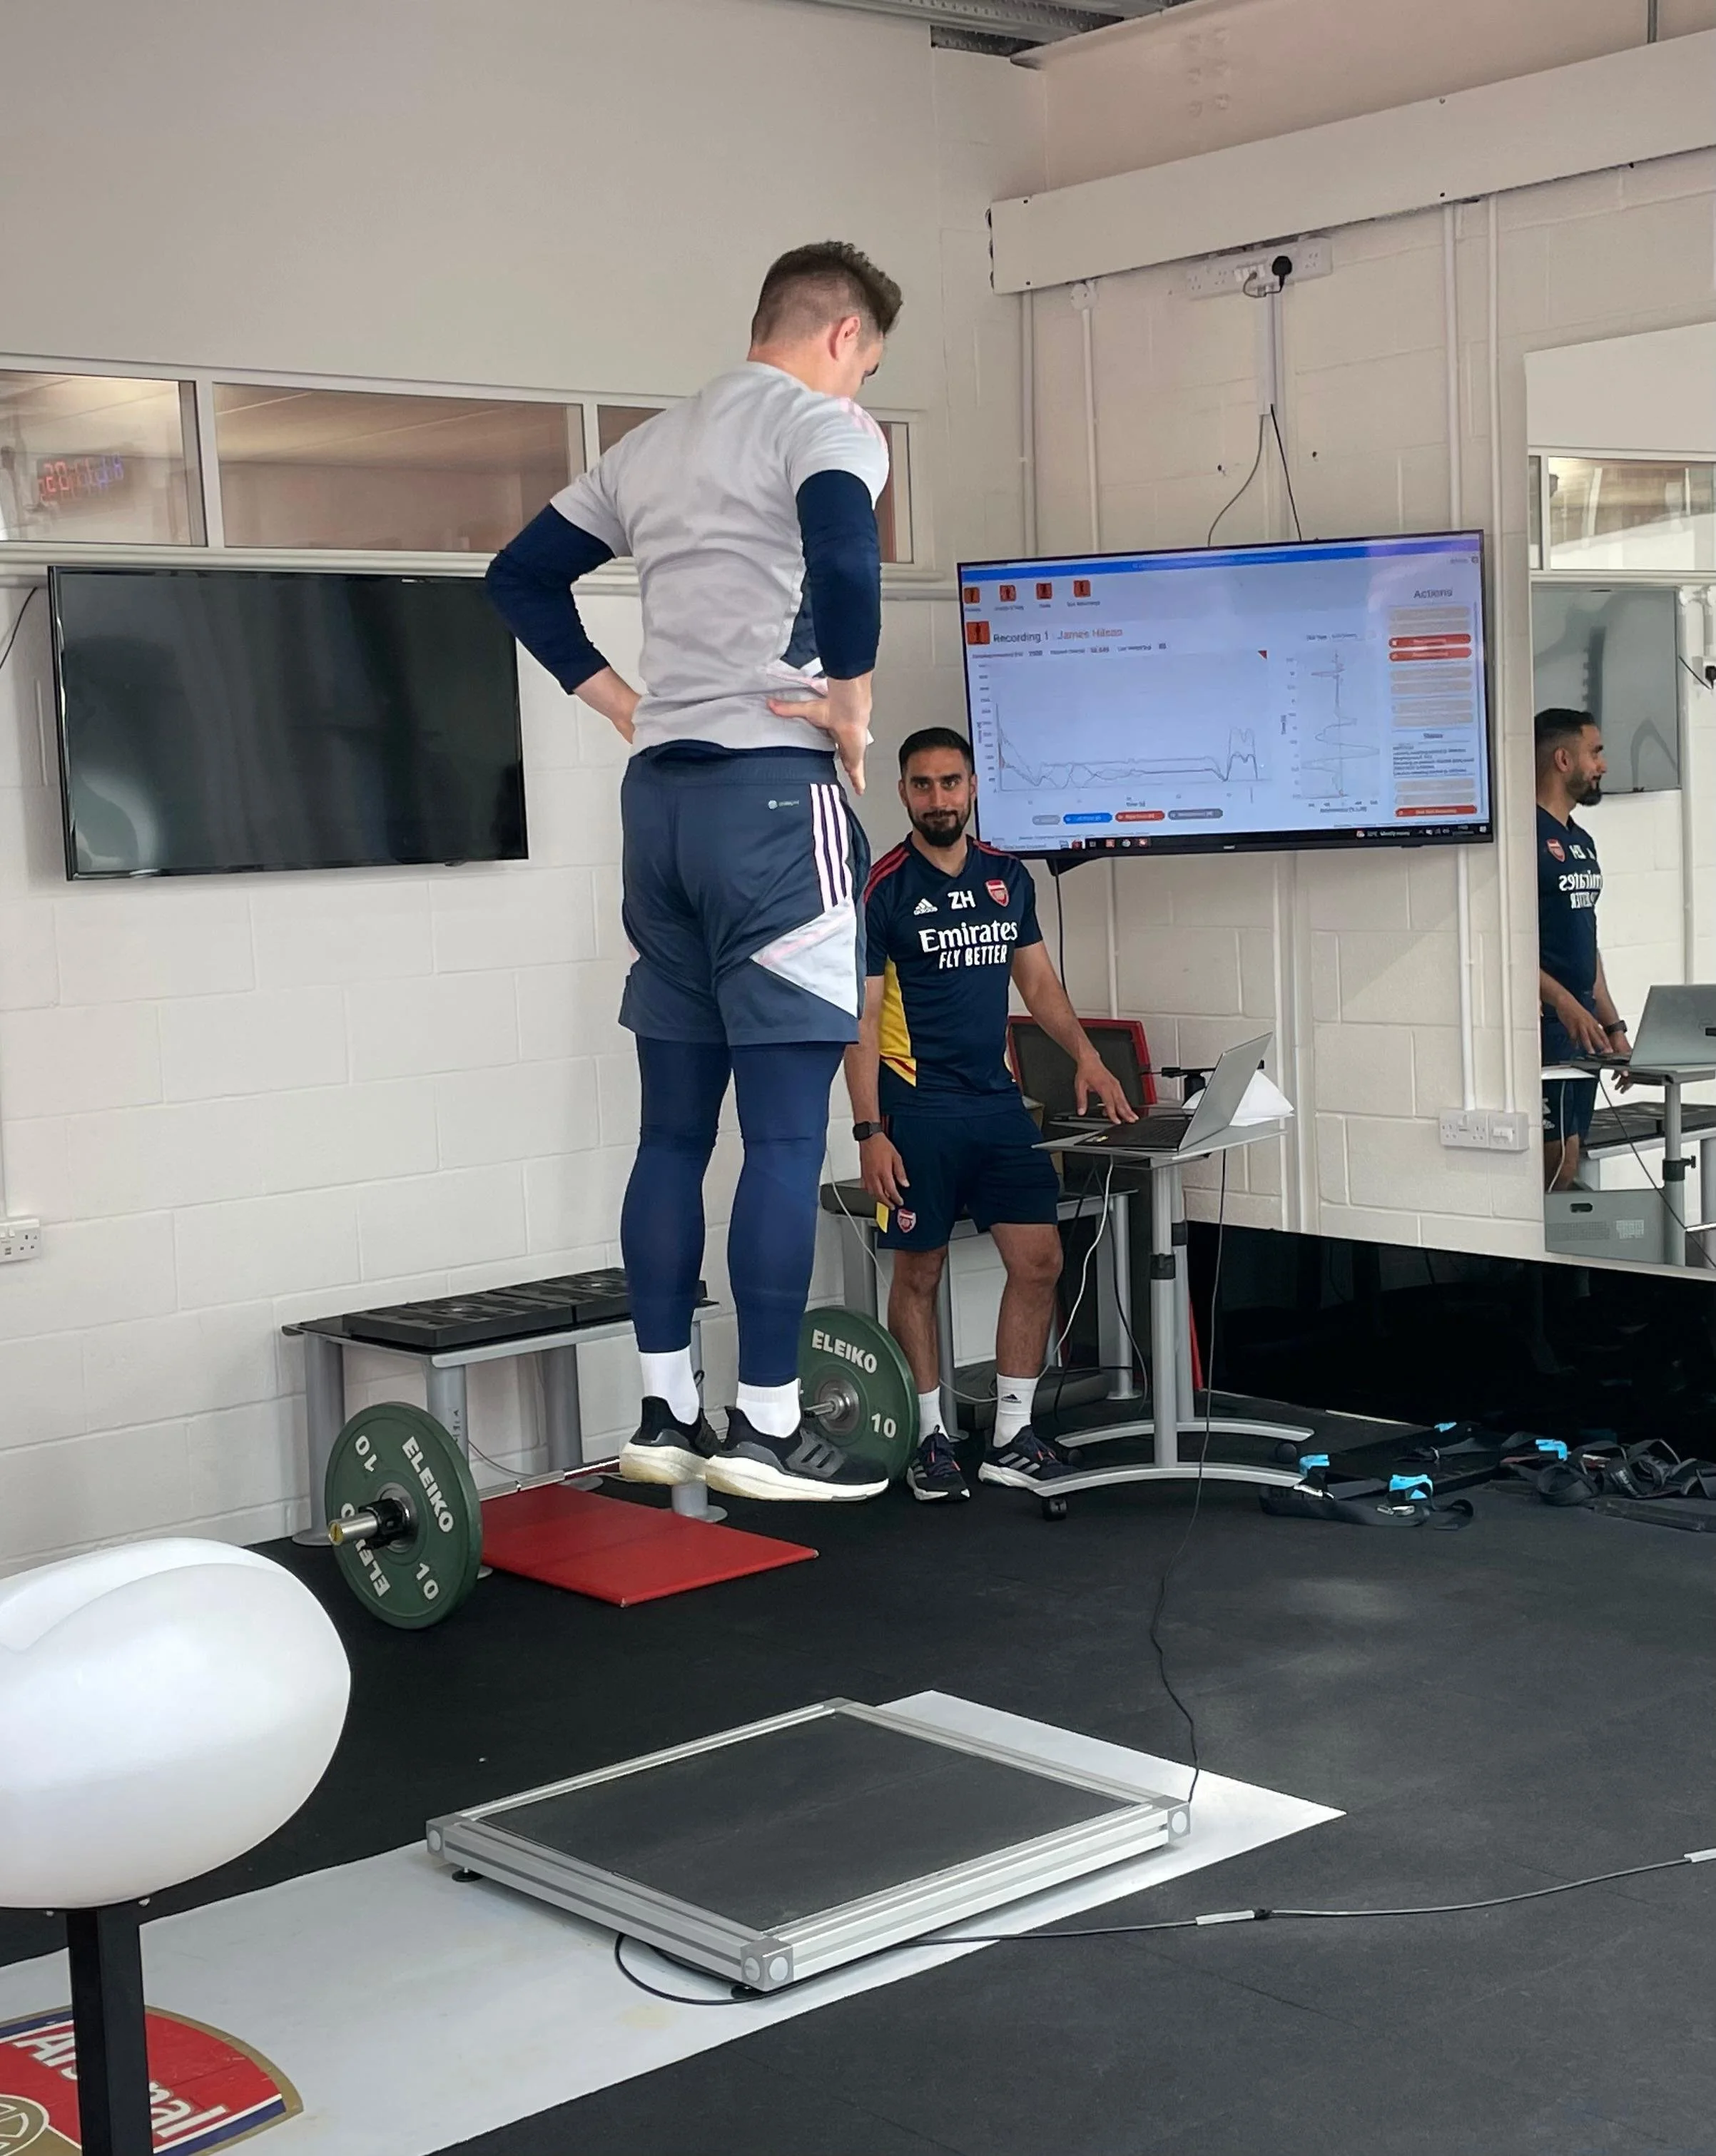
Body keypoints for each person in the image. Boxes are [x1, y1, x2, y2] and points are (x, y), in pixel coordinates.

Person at [485, 242, 904, 1502]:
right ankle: (766, 1427)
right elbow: (844, 559)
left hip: (659, 804)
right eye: (868, 365)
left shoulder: (653, 444)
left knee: (673, 1131)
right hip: (775, 801)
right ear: (842, 339)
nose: (861, 386)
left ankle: (666, 1409)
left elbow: (520, 576)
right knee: (784, 1134)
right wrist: (852, 702)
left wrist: (620, 699)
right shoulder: (829, 428)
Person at [846, 728, 1136, 1502]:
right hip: (916, 1109)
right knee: (920, 1270)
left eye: (950, 783)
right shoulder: (883, 888)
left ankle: (1011, 1436)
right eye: (921, 785)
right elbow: (862, 1023)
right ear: (902, 792)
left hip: (996, 1103)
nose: (937, 799)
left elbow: (1038, 985)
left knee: (1038, 1262)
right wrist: (869, 1132)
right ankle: (928, 1436)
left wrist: (1085, 1055)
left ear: (972, 787)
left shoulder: (1007, 876)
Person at [1536, 707, 1629, 1192]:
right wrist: (1561, 1000)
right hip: (1544, 1026)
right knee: (1550, 1165)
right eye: (1594, 752)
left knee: (1570, 1159)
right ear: (1562, 759)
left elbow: (1585, 940)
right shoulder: (1521, 836)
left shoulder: (1581, 840)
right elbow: (1505, 948)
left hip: (1582, 1028)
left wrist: (1612, 1025)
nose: (1603, 765)